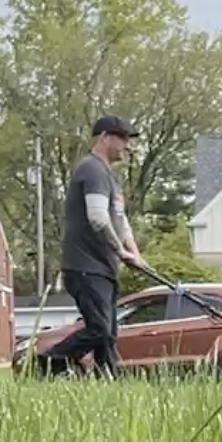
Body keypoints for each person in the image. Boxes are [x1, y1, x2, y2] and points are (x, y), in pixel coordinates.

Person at [48, 115, 145, 374]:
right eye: (123, 139)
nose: (128, 146)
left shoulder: (110, 179)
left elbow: (120, 221)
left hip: (104, 269)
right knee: (100, 329)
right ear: (104, 137)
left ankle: (110, 383)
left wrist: (136, 254)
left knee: (108, 335)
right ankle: (46, 362)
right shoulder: (91, 170)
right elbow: (98, 218)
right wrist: (120, 251)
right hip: (85, 267)